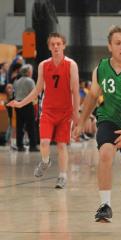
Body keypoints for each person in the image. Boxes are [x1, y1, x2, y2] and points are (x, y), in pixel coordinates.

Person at [73, 25, 121, 223]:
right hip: (108, 119)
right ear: (110, 46)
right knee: (105, 153)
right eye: (118, 43)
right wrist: (81, 122)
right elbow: (92, 96)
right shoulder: (101, 68)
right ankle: (105, 205)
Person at [7, 32, 80, 189]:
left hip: (65, 112)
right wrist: (20, 103)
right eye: (52, 44)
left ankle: (62, 176)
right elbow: (38, 89)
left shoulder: (71, 65)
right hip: (47, 111)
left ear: (63, 45)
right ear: (49, 47)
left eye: (58, 44)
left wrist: (76, 114)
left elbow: (75, 90)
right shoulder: (43, 65)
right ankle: (45, 162)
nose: (55, 47)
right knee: (44, 142)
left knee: (61, 145)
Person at [13, 64, 39, 152]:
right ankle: (33, 146)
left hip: (18, 104)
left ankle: (19, 145)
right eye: (30, 71)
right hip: (27, 105)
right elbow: (34, 93)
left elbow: (14, 93)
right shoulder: (30, 81)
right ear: (28, 72)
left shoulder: (16, 81)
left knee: (19, 126)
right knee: (31, 125)